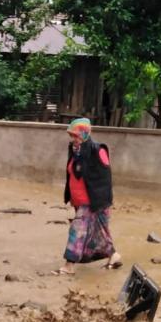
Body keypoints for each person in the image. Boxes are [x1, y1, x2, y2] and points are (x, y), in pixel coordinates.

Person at [57, 117, 122, 275]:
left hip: (93, 202)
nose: (73, 139)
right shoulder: (74, 151)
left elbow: (104, 179)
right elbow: (73, 175)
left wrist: (99, 202)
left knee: (76, 230)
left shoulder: (98, 150)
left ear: (85, 134)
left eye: (76, 135)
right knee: (100, 234)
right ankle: (114, 256)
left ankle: (69, 266)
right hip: (80, 201)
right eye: (72, 135)